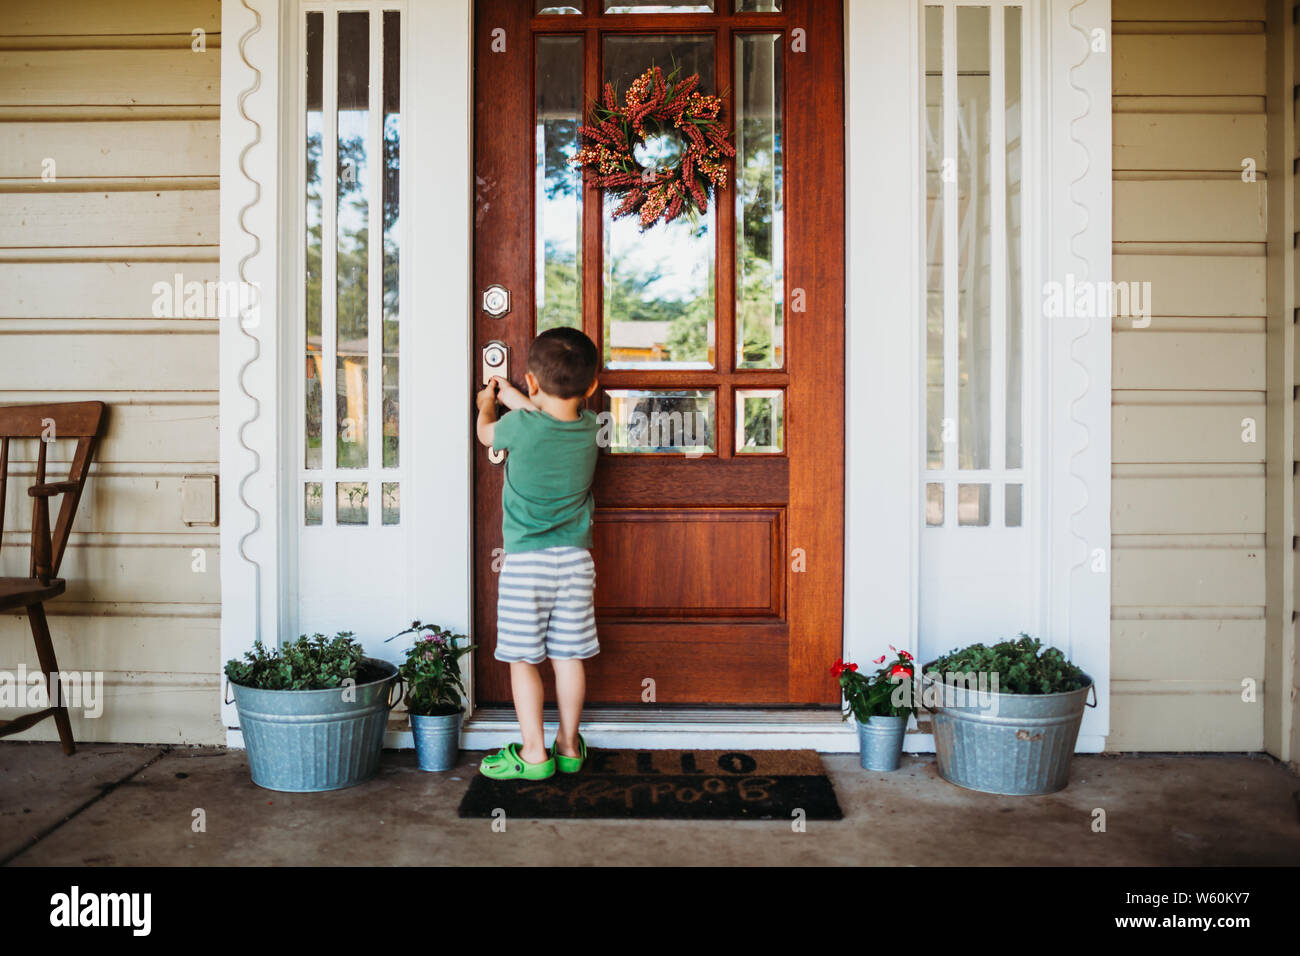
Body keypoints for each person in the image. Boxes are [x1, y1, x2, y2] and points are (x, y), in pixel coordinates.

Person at [474, 327, 601, 780]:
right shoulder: (589, 428)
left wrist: (489, 401)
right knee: (569, 656)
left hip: (526, 564)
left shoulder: (518, 426)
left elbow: (488, 435)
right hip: (574, 562)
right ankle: (568, 745)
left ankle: (533, 753)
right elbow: (547, 419)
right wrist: (519, 398)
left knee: (524, 658)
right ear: (591, 387)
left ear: (532, 381)